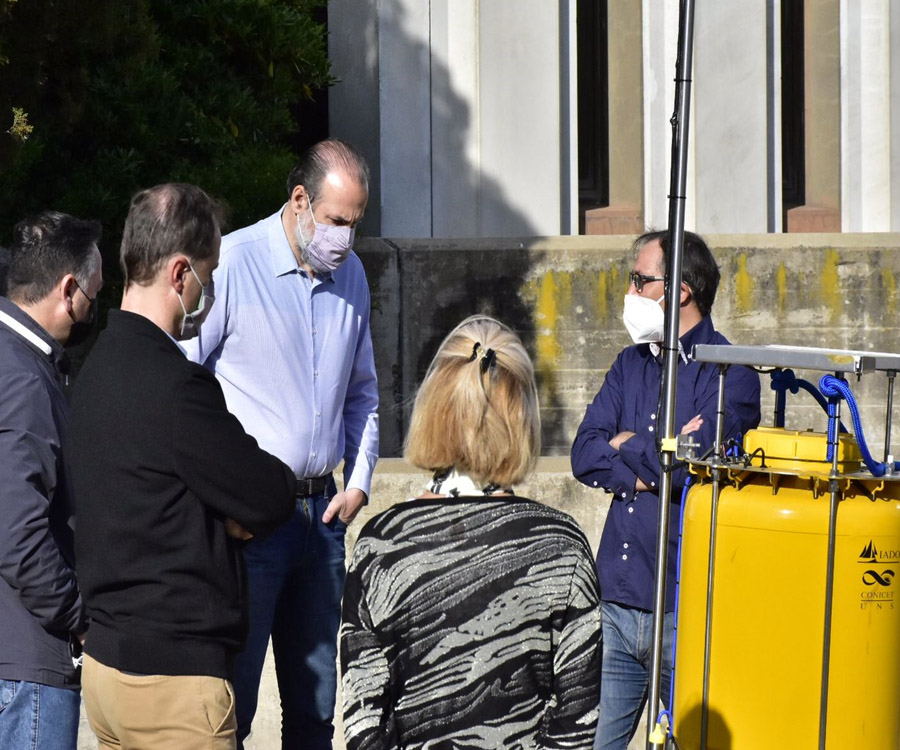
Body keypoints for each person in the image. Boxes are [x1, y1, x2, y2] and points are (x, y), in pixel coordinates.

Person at [67, 183, 297, 750]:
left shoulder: (92, 372)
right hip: (172, 681)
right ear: (179, 273)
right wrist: (228, 513)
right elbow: (270, 495)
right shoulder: (177, 388)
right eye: (208, 273)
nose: (209, 289)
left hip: (105, 669)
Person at [183, 139, 379, 748]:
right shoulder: (233, 264)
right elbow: (181, 387)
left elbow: (363, 393)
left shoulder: (353, 276)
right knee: (229, 711)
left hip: (323, 518)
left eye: (356, 223)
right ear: (300, 201)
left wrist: (360, 481)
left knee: (316, 711)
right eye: (337, 220)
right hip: (247, 524)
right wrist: (220, 498)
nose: (345, 237)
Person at [341, 315, 602, 750]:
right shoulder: (561, 547)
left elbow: (363, 723)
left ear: (434, 407)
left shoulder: (381, 547)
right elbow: (575, 725)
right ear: (523, 418)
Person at [571, 230, 761, 749]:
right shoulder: (630, 363)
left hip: (684, 607)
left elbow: (692, 466)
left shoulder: (730, 370)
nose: (630, 291)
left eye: (640, 279)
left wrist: (628, 443)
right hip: (617, 600)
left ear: (679, 290)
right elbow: (584, 454)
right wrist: (655, 452)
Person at [0, 211, 102, 749]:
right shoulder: (23, 378)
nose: (93, 309)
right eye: (94, 294)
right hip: (28, 665)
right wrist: (77, 615)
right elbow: (18, 533)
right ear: (68, 289)